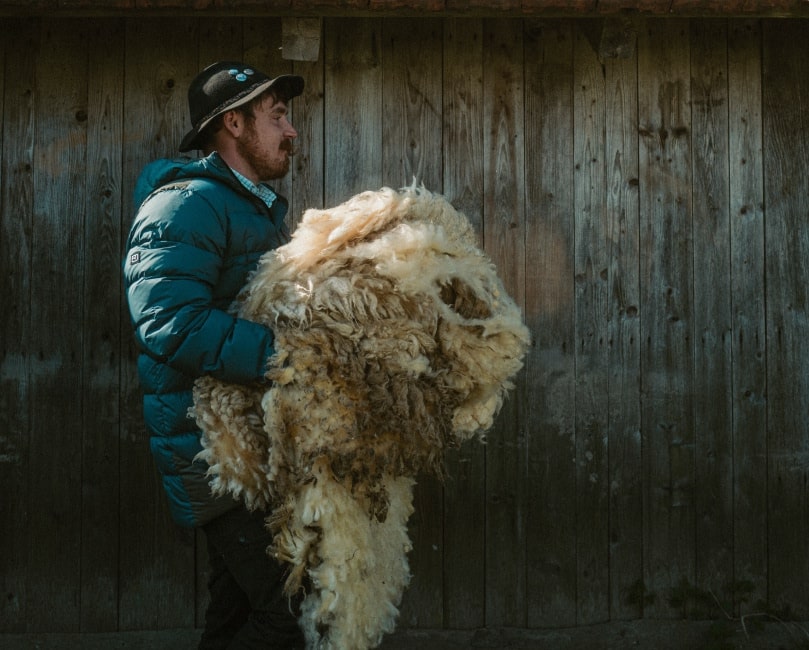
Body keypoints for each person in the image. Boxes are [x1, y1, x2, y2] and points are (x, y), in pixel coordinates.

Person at [124, 61, 306, 649]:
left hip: (249, 442)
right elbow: (170, 323)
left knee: (233, 616)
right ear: (233, 123)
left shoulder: (248, 207)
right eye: (276, 116)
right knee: (292, 616)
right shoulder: (186, 205)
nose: (291, 129)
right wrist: (293, 356)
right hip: (213, 448)